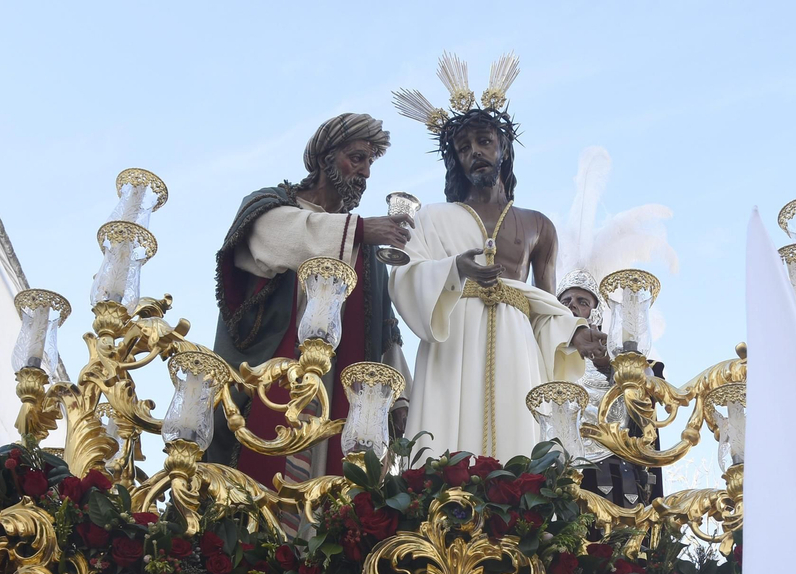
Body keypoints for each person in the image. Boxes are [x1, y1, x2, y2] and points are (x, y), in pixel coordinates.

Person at [390, 53, 606, 461]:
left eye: (484, 141)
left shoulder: (537, 225)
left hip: (515, 340)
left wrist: (572, 333)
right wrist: (454, 270)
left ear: (504, 147)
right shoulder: (432, 217)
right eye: (464, 147)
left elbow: (545, 307)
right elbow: (404, 277)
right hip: (451, 337)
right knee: (445, 447)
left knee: (518, 443)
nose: (475, 152)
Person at [208, 113, 412, 485]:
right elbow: (281, 239)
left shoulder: (363, 252)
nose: (365, 172)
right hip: (272, 380)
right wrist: (362, 229)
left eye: (370, 162)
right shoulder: (271, 206)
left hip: (336, 390)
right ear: (324, 160)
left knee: (329, 491)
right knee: (260, 481)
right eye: (356, 158)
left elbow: (385, 326)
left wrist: (398, 398)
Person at [554, 147, 678, 503]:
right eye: (564, 303)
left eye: (582, 301)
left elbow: (651, 395)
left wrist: (615, 369)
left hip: (617, 473)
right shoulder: (550, 358)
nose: (573, 307)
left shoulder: (621, 357)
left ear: (596, 310)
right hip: (565, 475)